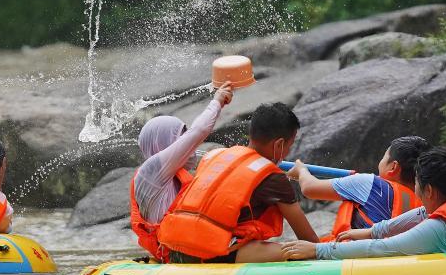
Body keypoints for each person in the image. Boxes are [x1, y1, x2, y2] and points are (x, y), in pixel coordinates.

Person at [158, 102, 318, 263]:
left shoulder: (215, 155)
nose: (288, 152)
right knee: (303, 251)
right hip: (212, 252)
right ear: (279, 144)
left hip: (174, 247)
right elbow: (308, 239)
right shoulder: (274, 178)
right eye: (289, 146)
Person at [282, 147, 446, 260]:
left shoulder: (439, 228)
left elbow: (384, 247)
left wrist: (317, 250)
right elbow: (422, 213)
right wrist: (371, 232)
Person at [130, 81, 234, 262]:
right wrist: (217, 101)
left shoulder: (175, 173)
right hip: (177, 256)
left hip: (193, 248)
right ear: (162, 142)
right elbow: (199, 131)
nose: (188, 146)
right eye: (181, 137)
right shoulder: (150, 173)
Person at [286, 136, 428, 239]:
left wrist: (301, 170)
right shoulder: (427, 199)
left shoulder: (369, 183)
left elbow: (310, 188)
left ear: (393, 167)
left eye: (384, 157)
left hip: (357, 260)